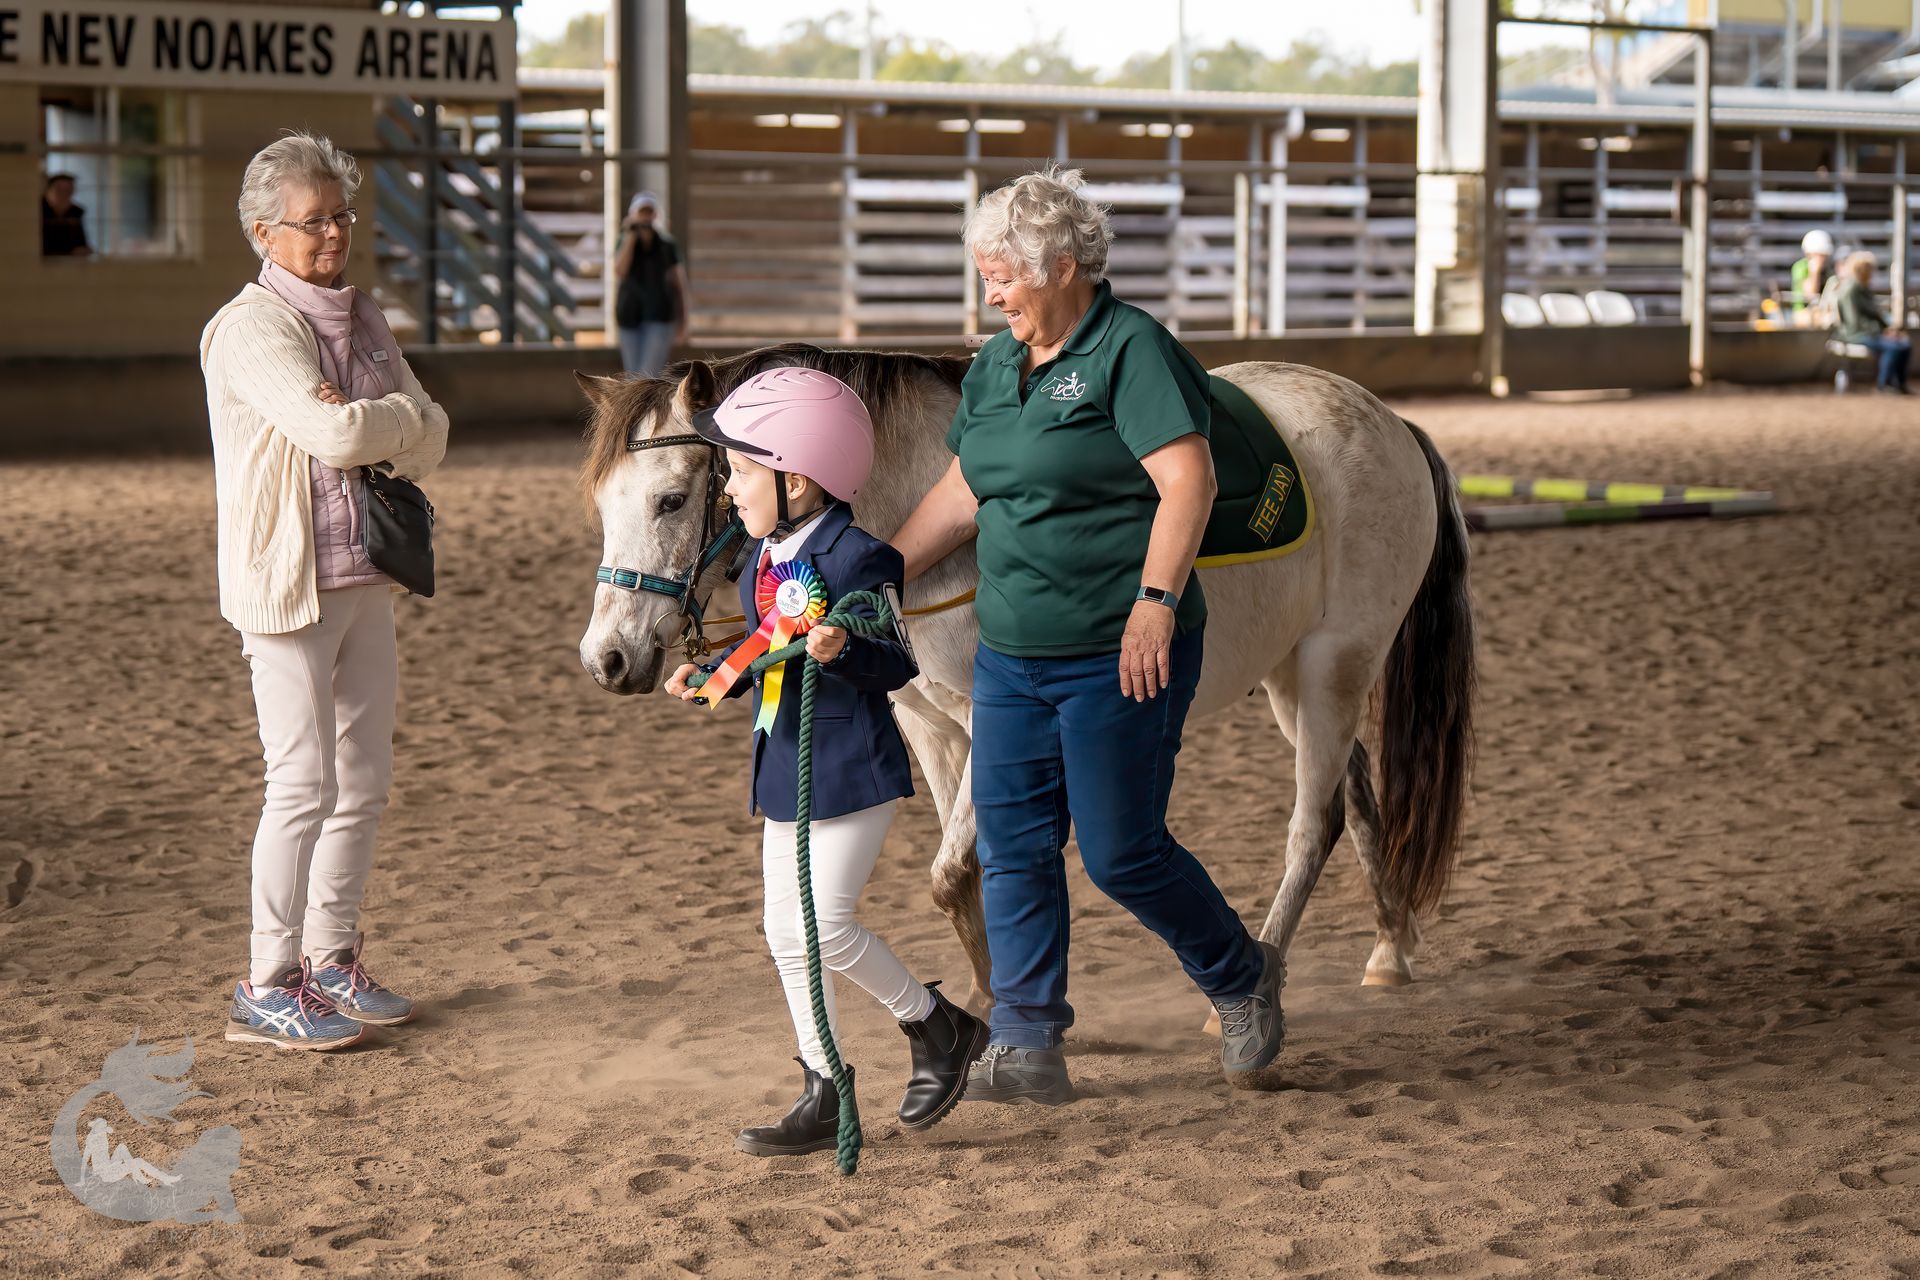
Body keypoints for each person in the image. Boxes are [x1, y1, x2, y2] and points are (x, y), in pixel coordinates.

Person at [889, 167, 1284, 1106]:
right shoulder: (994, 365)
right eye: (985, 274)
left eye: (1003, 276)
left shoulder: (1131, 349)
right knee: (1016, 846)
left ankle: (1240, 976)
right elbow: (962, 492)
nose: (990, 293)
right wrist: (873, 570)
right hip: (1012, 655)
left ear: (1063, 265)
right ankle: (1028, 1041)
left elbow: (1186, 481)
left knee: (1120, 851)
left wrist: (1156, 602)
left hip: (1121, 648)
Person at [663, 367, 989, 1155]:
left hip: (849, 767)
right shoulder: (765, 559)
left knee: (828, 927)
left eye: (742, 472)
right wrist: (715, 679)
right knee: (784, 931)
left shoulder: (860, 558)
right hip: (784, 762)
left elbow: (895, 666)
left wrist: (845, 652)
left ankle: (936, 1025)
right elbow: (769, 647)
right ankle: (820, 1082)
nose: (732, 490)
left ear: (798, 478)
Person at [199, 131, 449, 1050]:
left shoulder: (365, 316)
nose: (333, 234)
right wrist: (387, 421)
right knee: (300, 783)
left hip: (365, 575)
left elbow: (436, 433)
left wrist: (375, 421)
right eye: (312, 223)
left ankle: (331, 958)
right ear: (265, 234)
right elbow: (341, 437)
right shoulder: (251, 327)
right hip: (285, 587)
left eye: (341, 215)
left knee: (365, 783)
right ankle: (266, 981)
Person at [613, 192, 690, 375]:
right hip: (630, 316)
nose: (645, 217)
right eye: (642, 212)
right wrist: (630, 237)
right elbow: (620, 270)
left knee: (648, 374)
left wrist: (684, 321)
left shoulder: (666, 245)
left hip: (659, 316)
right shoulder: (625, 242)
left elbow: (680, 284)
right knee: (632, 375)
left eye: (649, 212)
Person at [1834, 251, 1911, 395]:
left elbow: (1875, 314)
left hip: (1868, 332)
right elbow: (1853, 323)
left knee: (1904, 344)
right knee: (1893, 347)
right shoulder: (1850, 289)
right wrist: (1881, 332)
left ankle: (1899, 385)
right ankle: (1883, 385)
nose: (1872, 273)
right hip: (1855, 334)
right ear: (1861, 270)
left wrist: (1889, 330)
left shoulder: (1863, 287)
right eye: (1869, 270)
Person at [42, 173, 92, 257]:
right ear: (48, 190)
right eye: (59, 190)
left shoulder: (75, 212)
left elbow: (80, 243)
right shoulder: (37, 211)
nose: (64, 194)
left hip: (68, 264)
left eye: (69, 191)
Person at [1791, 229, 1834, 321]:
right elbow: (1810, 295)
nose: (1823, 258)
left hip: (1823, 310)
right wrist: (1814, 273)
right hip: (1803, 312)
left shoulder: (1828, 269)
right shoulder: (1801, 267)